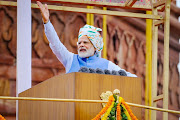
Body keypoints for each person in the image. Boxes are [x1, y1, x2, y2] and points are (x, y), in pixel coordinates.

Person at [37, 1, 137, 77]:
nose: (81, 45)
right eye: (79, 43)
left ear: (95, 46)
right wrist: (47, 22)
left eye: (85, 42)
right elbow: (55, 44)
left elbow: (128, 77)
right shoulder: (71, 59)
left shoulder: (106, 65)